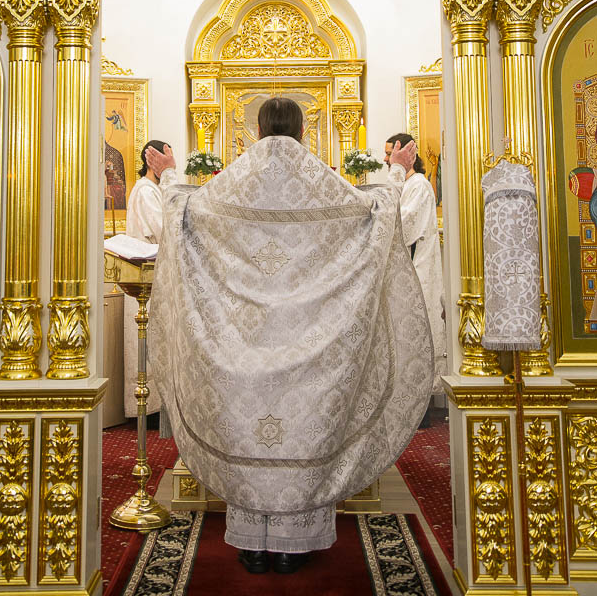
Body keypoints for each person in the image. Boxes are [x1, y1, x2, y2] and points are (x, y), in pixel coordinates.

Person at [148, 98, 432, 575]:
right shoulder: (319, 180)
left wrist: (170, 174)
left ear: (258, 130)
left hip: (243, 340)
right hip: (311, 340)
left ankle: (252, 546)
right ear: (302, 131)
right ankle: (291, 547)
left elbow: (185, 210)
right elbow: (376, 211)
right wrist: (397, 171)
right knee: (303, 429)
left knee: (248, 428)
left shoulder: (236, 180)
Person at [384, 132, 447, 421]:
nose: (386, 159)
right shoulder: (407, 184)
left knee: (416, 339)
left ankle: (420, 412)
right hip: (405, 271)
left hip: (417, 270)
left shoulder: (419, 185)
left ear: (408, 153)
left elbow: (405, 226)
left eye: (390, 153)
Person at [122, 139, 169, 420]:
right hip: (146, 276)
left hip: (155, 274)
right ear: (152, 161)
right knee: (148, 342)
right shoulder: (145, 191)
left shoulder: (153, 190)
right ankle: (148, 410)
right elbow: (162, 230)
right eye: (165, 160)